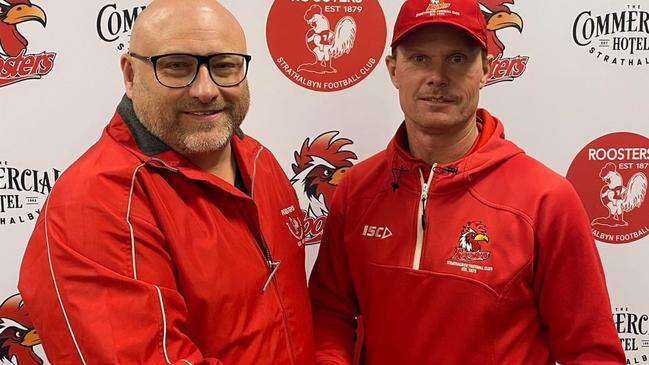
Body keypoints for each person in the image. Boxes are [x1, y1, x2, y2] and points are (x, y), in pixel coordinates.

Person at [309, 0, 626, 364]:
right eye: (419, 59)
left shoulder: (546, 198)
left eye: (457, 59)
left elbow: (591, 351)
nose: (437, 76)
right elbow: (330, 311)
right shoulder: (357, 188)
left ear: (486, 69)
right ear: (393, 69)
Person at [18, 0, 314, 364]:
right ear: (129, 74)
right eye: (176, 66)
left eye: (224, 66)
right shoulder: (93, 202)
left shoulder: (258, 159)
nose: (205, 89)